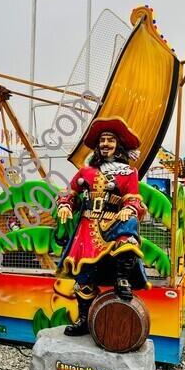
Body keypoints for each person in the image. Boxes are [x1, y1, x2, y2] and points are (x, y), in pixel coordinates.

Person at [56, 116, 150, 337]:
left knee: (129, 229)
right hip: (87, 227)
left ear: (118, 145)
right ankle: (84, 320)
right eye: (102, 140)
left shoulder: (129, 173)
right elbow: (70, 193)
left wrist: (130, 208)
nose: (105, 144)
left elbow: (134, 198)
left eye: (110, 140)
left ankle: (122, 279)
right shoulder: (86, 172)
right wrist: (66, 205)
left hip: (112, 221)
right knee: (83, 274)